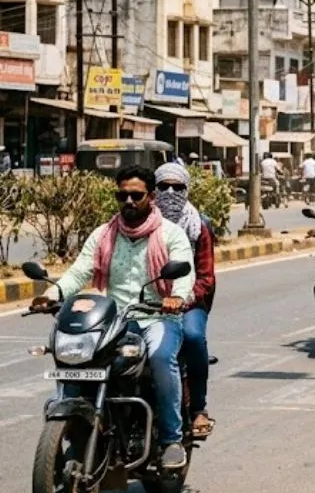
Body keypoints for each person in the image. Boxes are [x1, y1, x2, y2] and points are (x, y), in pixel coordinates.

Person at [30, 165, 195, 469]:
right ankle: (84, 426)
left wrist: (176, 297)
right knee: (78, 360)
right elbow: (79, 271)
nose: (129, 201)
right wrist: (51, 296)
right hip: (113, 318)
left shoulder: (171, 234)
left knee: (160, 358)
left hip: (157, 315)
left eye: (136, 195)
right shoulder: (104, 233)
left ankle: (171, 438)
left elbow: (184, 271)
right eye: (123, 195)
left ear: (151, 197)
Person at [153, 162, 217, 439]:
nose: (169, 193)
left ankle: (198, 408)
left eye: (177, 187)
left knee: (192, 337)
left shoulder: (198, 227)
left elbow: (206, 276)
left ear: (187, 190)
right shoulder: (139, 222)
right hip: (145, 300)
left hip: (189, 301)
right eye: (163, 187)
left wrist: (185, 298)